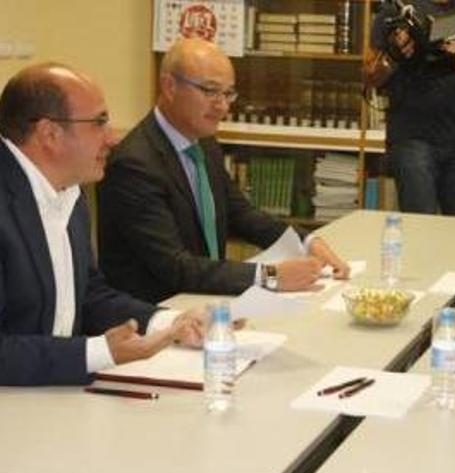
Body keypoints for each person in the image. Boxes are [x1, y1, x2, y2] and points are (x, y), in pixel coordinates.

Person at [97, 38, 350, 304]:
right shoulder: (134, 164)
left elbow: (241, 214)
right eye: (210, 91)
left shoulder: (203, 142)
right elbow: (175, 267)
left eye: (228, 93)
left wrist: (307, 241)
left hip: (202, 301)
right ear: (169, 86)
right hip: (154, 315)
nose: (223, 106)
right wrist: (270, 275)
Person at [0, 63, 205, 386]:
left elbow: (89, 295)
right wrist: (99, 352)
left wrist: (169, 323)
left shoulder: (68, 190)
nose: (112, 139)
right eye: (99, 123)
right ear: (49, 134)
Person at [364, 0, 455, 216]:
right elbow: (370, 76)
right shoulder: (396, 12)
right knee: (420, 228)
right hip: (411, 140)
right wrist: (394, 56)